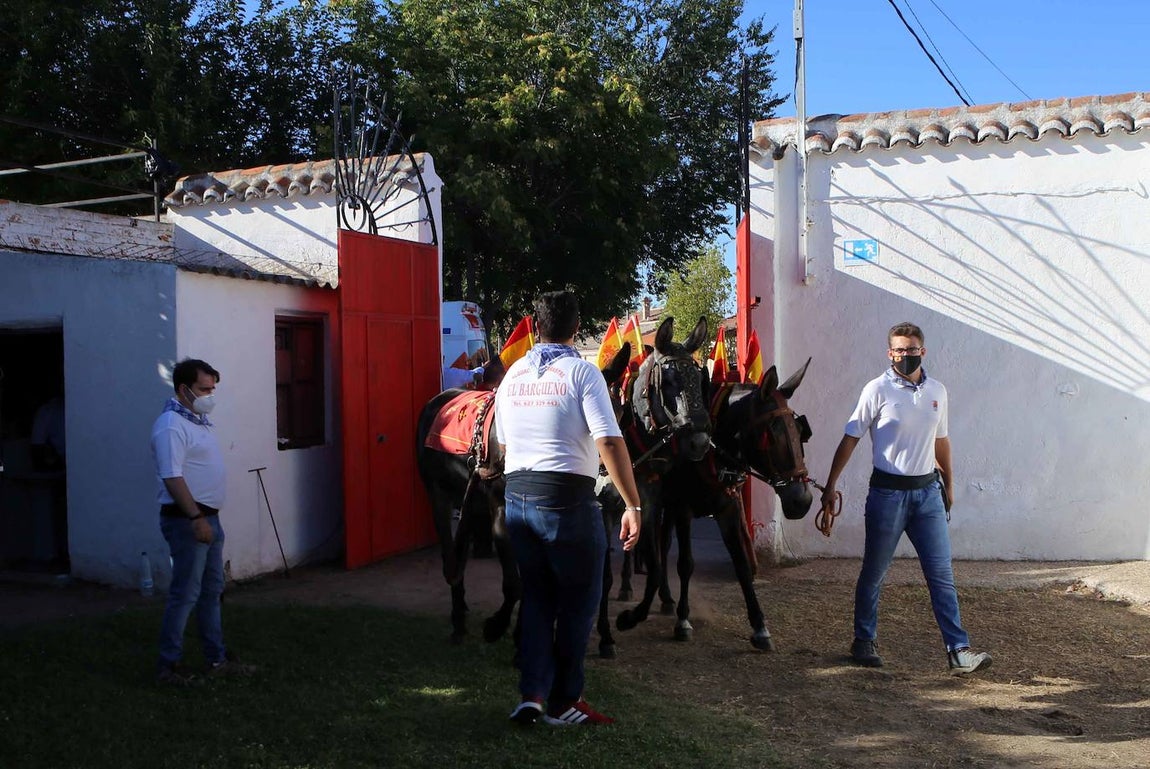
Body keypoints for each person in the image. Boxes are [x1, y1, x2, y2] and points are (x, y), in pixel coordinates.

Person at [495, 290, 642, 726]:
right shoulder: (584, 373)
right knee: (580, 600)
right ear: (577, 328)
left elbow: (503, 444)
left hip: (517, 496)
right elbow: (609, 440)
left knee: (538, 597)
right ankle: (565, 700)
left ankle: (532, 696)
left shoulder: (513, 374)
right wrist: (633, 503)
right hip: (567, 500)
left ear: (535, 326)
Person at [820, 322, 991, 676]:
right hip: (887, 495)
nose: (905, 356)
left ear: (922, 351)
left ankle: (958, 651)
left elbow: (941, 441)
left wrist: (949, 485)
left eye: (911, 350)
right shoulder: (877, 389)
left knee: (941, 574)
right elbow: (851, 437)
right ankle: (863, 641)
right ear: (890, 353)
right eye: (899, 350)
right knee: (875, 571)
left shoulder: (937, 391)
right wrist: (830, 485)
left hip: (928, 494)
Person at [150, 359, 254, 685]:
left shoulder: (198, 421)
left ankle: (216, 658)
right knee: (186, 594)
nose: (210, 396)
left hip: (209, 519)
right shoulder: (171, 425)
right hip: (188, 521)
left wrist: (206, 518)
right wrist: (195, 518)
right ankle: (168, 666)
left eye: (212, 389)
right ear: (184, 389)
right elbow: (172, 476)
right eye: (204, 389)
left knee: (211, 591)